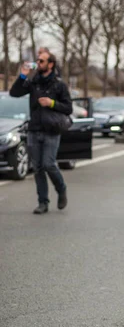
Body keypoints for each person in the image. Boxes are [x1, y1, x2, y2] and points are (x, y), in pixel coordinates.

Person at [10, 51, 72, 214]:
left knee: (49, 164)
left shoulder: (59, 84)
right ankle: (43, 202)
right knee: (37, 167)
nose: (38, 63)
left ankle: (61, 188)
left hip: (51, 130)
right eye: (37, 60)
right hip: (34, 129)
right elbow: (14, 93)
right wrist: (22, 76)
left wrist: (51, 103)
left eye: (42, 61)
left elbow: (68, 108)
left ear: (50, 64)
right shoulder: (33, 82)